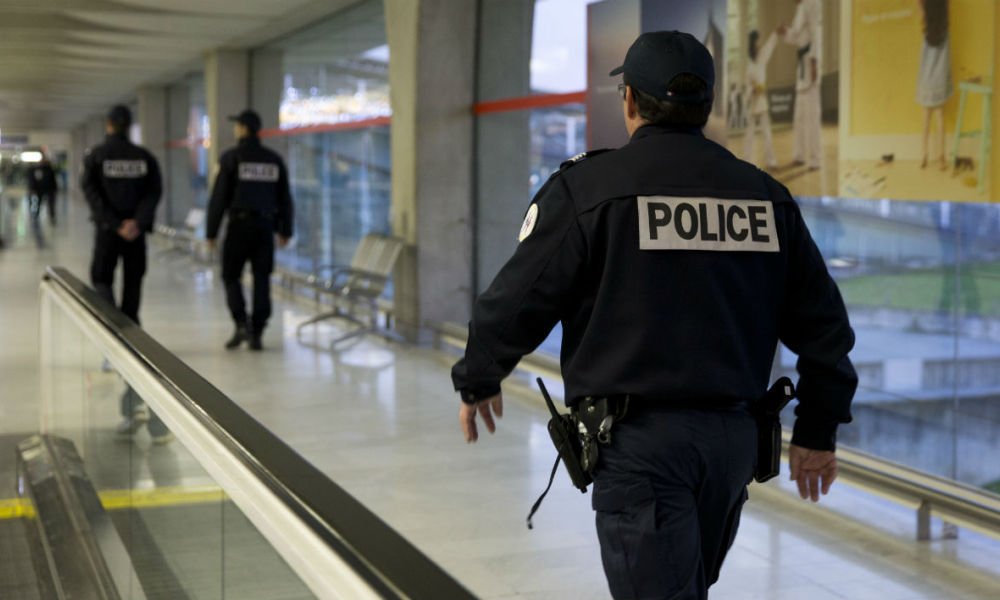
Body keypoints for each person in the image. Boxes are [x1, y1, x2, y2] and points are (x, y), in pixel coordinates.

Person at [451, 30, 857, 599]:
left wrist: (479, 375)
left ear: (631, 102)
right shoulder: (765, 198)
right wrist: (818, 427)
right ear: (707, 107)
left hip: (638, 447)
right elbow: (824, 328)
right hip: (731, 445)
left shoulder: (588, 191)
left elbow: (519, 297)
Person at [81, 104, 171, 444]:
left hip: (108, 233)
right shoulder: (144, 157)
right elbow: (153, 192)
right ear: (129, 125)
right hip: (136, 236)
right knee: (133, 283)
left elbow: (90, 192)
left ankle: (113, 327)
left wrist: (114, 223)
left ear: (108, 124)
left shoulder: (96, 156)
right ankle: (130, 328)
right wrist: (136, 222)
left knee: (101, 279)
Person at [206, 109, 293, 351]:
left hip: (238, 226)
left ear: (243, 129)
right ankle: (258, 331)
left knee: (230, 275)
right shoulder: (273, 160)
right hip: (265, 228)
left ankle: (241, 324)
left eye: (237, 126)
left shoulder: (232, 158)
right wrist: (286, 229)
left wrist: (211, 232)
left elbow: (219, 198)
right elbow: (285, 197)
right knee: (262, 277)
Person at [779, 0, 823, 170]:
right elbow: (797, 38)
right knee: (799, 117)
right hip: (802, 67)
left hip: (810, 63)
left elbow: (815, 33)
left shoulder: (813, 3)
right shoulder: (800, 8)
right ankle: (799, 155)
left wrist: (814, 61)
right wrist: (786, 32)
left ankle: (816, 159)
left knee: (812, 116)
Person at [917, 0, 952, 170]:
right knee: (940, 119)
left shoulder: (926, 30)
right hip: (939, 80)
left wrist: (923, 6)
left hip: (926, 79)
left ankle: (923, 156)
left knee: (925, 119)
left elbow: (920, 5)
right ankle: (941, 158)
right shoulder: (945, 30)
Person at [743, 29, 779, 169]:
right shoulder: (749, 67)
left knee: (767, 132)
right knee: (749, 135)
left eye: (759, 44)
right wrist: (753, 89)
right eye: (756, 45)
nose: (759, 47)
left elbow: (769, 47)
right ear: (751, 48)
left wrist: (775, 34)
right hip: (753, 103)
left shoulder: (762, 59)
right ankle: (746, 161)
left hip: (762, 101)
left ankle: (771, 161)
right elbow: (746, 89)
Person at [28, 153, 59, 225]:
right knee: (38, 203)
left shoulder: (50, 169)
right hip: (40, 190)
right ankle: (36, 217)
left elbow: (53, 180)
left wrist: (55, 189)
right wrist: (33, 189)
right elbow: (33, 180)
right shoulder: (37, 169)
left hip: (50, 190)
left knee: (51, 205)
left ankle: (52, 218)